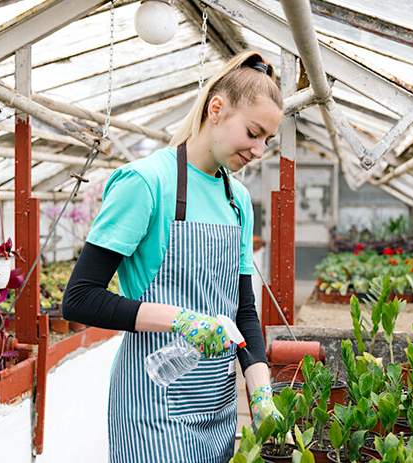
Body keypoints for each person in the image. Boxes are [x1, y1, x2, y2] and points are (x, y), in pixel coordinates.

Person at [62, 51, 284, 463]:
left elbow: (244, 312)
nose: (258, 149)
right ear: (216, 109)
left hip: (216, 407)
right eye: (253, 132)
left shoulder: (237, 200)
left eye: (267, 140)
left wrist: (261, 392)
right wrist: (181, 320)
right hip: (153, 405)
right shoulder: (146, 182)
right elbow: (80, 297)